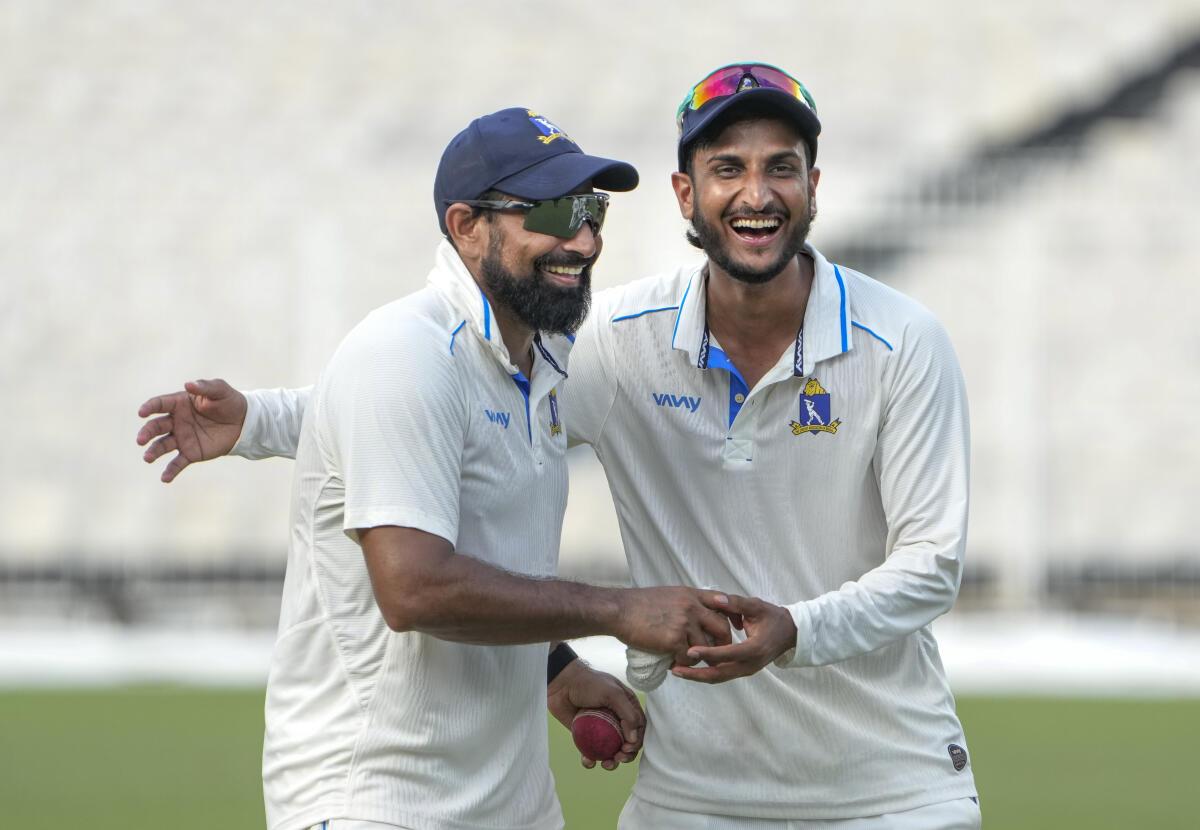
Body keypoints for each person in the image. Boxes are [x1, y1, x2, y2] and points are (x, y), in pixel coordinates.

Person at [140, 65, 981, 829]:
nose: (755, 194)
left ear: (815, 187)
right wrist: (261, 422)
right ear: (686, 195)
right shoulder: (618, 341)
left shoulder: (902, 341)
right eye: (728, 169)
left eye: (780, 168)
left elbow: (933, 564)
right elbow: (426, 402)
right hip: (691, 797)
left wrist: (792, 629)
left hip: (893, 789)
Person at [139, 106, 740, 830]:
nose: (583, 238)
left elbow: (451, 484)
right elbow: (415, 589)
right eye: (551, 209)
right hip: (378, 808)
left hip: (512, 808)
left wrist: (556, 668)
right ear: (464, 225)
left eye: (592, 208)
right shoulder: (403, 353)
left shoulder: (538, 361)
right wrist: (620, 610)